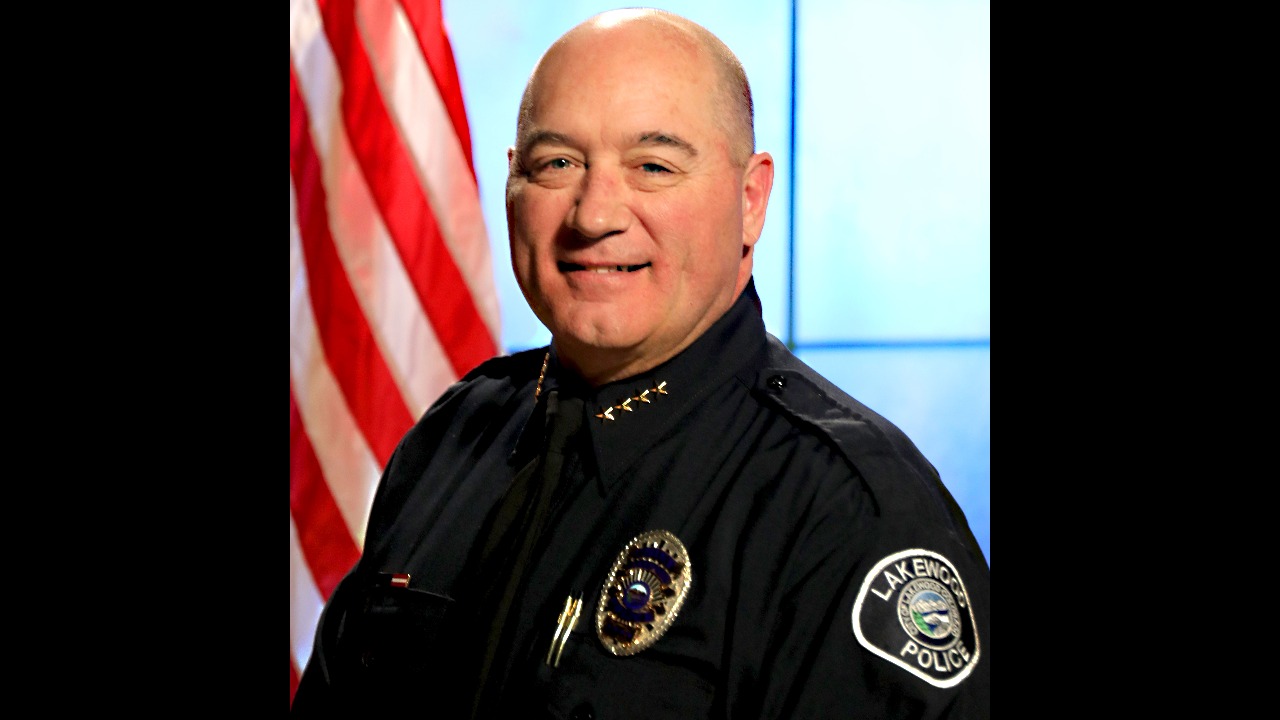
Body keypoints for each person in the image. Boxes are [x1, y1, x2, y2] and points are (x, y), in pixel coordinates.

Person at [292, 7, 990, 719]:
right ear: (512, 185)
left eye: (653, 166)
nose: (594, 214)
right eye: (557, 163)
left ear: (751, 200)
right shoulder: (453, 438)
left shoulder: (846, 512)